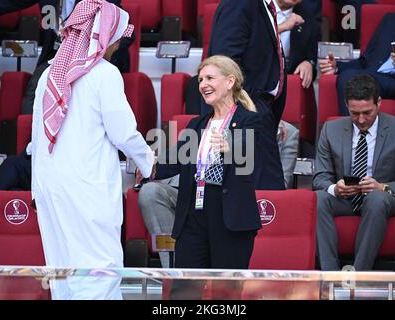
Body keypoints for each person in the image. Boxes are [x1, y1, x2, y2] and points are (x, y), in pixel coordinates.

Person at [31, 0, 154, 299]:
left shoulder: (48, 75)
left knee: (63, 275)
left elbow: (37, 139)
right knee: (99, 271)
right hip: (86, 189)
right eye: (117, 37)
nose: (118, 44)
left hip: (49, 188)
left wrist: (36, 190)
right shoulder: (104, 74)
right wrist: (150, 163)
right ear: (105, 34)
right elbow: (124, 133)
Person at [138, 55, 262, 298]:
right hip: (193, 216)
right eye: (200, 79)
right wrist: (144, 164)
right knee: (184, 291)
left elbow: (254, 157)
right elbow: (169, 164)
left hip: (230, 219)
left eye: (209, 78)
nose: (203, 84)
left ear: (229, 81)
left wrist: (232, 147)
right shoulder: (196, 125)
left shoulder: (251, 120)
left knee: (226, 295)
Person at [138, 120, 299, 269]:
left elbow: (281, 183)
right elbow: (175, 160)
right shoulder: (201, 123)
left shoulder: (282, 131)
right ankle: (172, 271)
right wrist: (150, 168)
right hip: (196, 196)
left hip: (237, 202)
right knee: (150, 192)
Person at [313, 74, 395, 271]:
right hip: (345, 199)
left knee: (376, 199)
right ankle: (330, 275)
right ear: (346, 105)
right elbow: (319, 177)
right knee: (319, 199)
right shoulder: (331, 129)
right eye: (355, 113)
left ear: (379, 103)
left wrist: (382, 187)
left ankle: (359, 274)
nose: (361, 120)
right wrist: (335, 188)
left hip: (383, 200)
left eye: (367, 113)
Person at [0, 0, 133, 114]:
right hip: (54, 56)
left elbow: (127, 31)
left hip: (89, 59)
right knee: (33, 100)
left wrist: (98, 51)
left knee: (81, 104)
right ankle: (31, 152)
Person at [206, 0, 288, 191]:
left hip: (257, 112)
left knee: (262, 199)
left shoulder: (260, 5)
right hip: (247, 114)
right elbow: (223, 66)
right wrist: (251, 112)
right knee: (267, 199)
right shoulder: (240, 3)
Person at [319, 0, 395, 118]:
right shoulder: (391, 20)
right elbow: (365, 60)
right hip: (379, 78)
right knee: (348, 77)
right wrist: (337, 66)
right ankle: (352, 134)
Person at [275, 0, 321, 89]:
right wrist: (284, 27)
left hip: (289, 80)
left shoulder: (308, 16)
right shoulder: (254, 8)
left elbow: (311, 55)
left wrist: (308, 63)